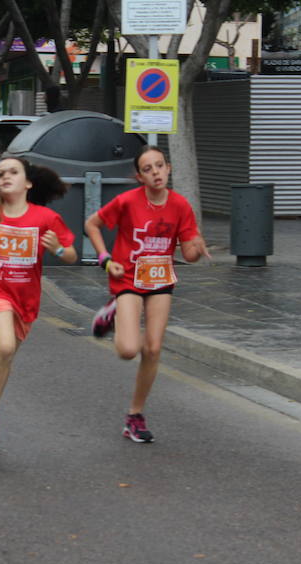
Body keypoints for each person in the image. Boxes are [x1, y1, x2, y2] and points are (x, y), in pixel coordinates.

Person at [84, 146, 209, 443]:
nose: (155, 173)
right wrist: (104, 259)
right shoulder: (128, 201)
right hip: (127, 277)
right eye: (148, 169)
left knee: (152, 349)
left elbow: (189, 253)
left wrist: (197, 247)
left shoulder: (180, 206)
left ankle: (135, 416)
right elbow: (92, 224)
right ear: (140, 176)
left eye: (159, 166)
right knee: (128, 350)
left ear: (168, 169)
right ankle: (113, 312)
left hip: (161, 280)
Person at [0, 157, 77, 449]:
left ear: (28, 182)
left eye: (13, 172)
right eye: (1, 173)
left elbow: (71, 254)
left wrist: (57, 248)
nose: (5, 177)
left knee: (6, 356)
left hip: (26, 301)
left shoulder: (45, 218)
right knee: (4, 346)